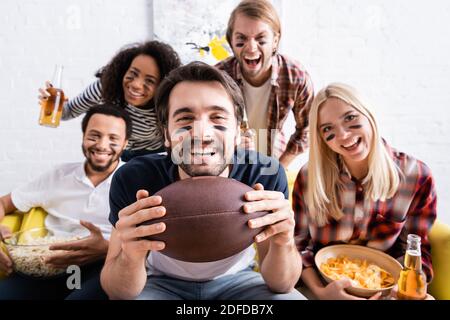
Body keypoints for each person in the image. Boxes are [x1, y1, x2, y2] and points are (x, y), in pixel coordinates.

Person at [100, 62, 305, 300]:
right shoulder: (135, 178)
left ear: (238, 131)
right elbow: (117, 293)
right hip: (159, 285)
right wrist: (130, 255)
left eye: (217, 119)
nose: (201, 134)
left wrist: (284, 242)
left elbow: (282, 285)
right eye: (185, 121)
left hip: (239, 282)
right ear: (166, 134)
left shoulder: (263, 174)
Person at [292, 83, 437, 300]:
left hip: (386, 291)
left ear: (368, 114)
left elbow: (416, 250)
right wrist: (322, 293)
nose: (343, 135)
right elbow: (298, 245)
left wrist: (406, 290)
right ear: (321, 139)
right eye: (328, 129)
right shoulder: (309, 177)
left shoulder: (416, 176)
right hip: (321, 288)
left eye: (350, 118)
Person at [0, 104, 131, 300]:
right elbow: (4, 203)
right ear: (83, 137)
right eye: (94, 135)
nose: (102, 145)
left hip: (103, 264)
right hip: (47, 262)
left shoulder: (134, 179)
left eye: (113, 138)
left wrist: (107, 247)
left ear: (125, 143)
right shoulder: (59, 176)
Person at [38, 41, 181, 161]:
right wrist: (52, 106)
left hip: (154, 154)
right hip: (116, 153)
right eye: (133, 73)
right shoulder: (105, 88)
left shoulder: (167, 103)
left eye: (149, 81)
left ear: (161, 85)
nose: (136, 85)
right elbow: (67, 113)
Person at [216, 0, 314, 169]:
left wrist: (279, 168)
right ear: (231, 41)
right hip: (230, 167)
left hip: (273, 162)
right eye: (241, 39)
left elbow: (308, 128)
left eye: (261, 39)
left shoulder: (295, 76)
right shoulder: (218, 78)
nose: (251, 48)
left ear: (275, 40)